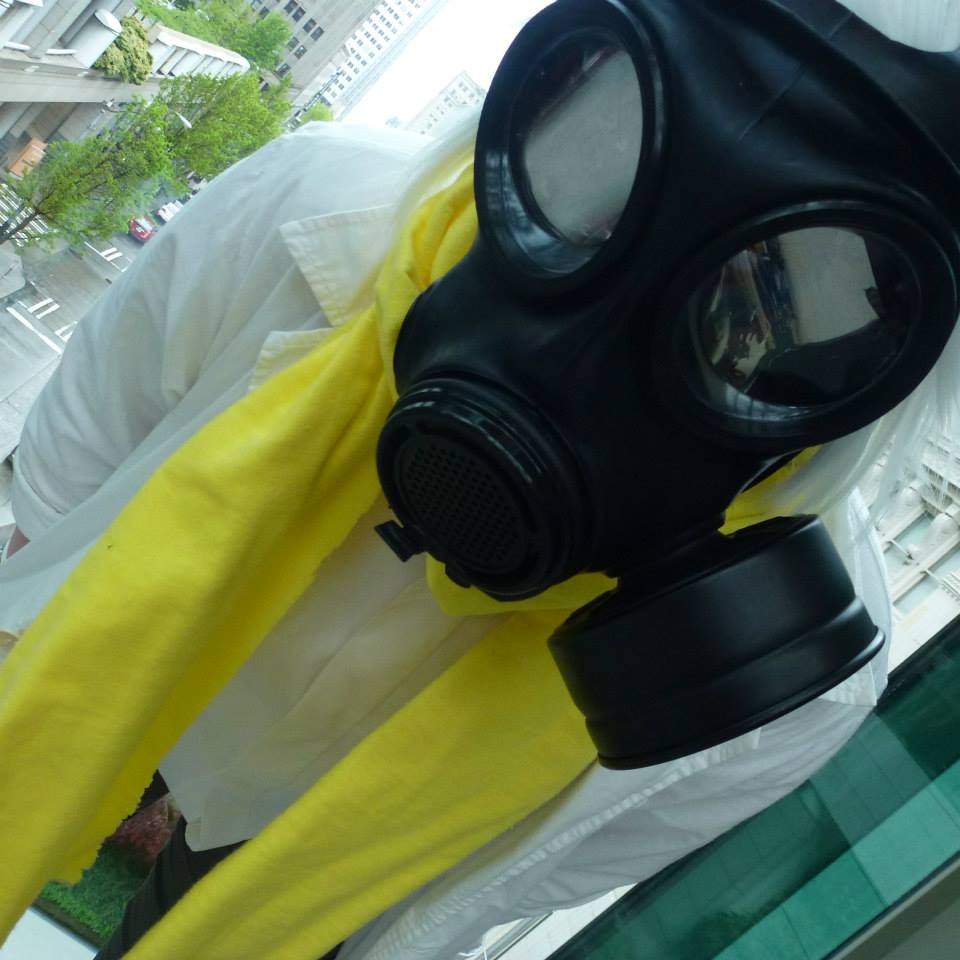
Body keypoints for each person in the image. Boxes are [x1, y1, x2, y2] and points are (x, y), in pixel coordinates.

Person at [1, 2, 958, 959]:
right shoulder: (304, 202)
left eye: (763, 298)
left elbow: (424, 907)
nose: (597, 343)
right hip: (110, 640)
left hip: (299, 823)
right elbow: (52, 511)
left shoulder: (784, 696)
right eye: (615, 178)